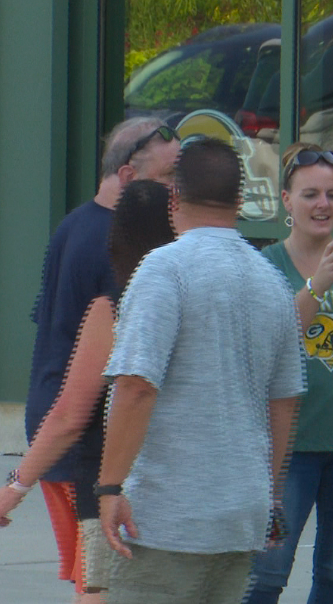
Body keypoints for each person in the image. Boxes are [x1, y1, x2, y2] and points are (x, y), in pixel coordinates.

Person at [97, 138, 305, 604]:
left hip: (168, 517)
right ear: (240, 201)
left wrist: (110, 486)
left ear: (173, 198)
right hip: (241, 515)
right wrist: (268, 497)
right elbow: (286, 398)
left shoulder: (164, 269)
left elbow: (135, 386)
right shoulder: (271, 279)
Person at [11, 117, 178, 601]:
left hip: (66, 436)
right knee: (101, 586)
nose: (177, 191)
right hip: (87, 448)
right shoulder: (126, 249)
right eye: (168, 178)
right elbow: (90, 372)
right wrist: (18, 483)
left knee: (96, 583)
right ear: (127, 177)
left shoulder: (73, 224)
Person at [243, 143, 333, 604]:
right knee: (266, 575)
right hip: (290, 448)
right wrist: (316, 285)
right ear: (286, 200)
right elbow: (271, 345)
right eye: (309, 195)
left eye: (332, 195)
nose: (323, 205)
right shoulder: (264, 267)